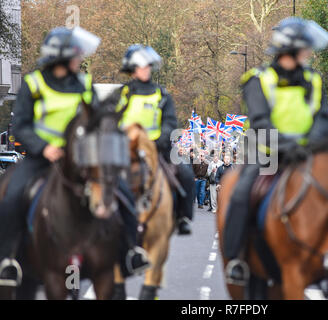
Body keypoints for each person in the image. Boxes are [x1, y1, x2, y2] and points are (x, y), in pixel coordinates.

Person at [0, 27, 149, 286]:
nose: (80, 59)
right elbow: (22, 125)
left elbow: (95, 119)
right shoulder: (32, 83)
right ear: (62, 57)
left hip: (81, 159)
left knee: (122, 192)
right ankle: (8, 260)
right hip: (42, 158)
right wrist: (44, 147)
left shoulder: (83, 84)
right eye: (76, 55)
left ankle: (130, 251)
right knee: (12, 196)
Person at [223, 17, 328, 285]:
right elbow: (260, 122)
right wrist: (286, 147)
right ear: (292, 50)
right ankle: (236, 257)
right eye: (306, 48)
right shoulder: (259, 80)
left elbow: (322, 117)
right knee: (240, 194)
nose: (309, 54)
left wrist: (308, 144)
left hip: (307, 154)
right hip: (268, 155)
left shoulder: (313, 79)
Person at [118, 44, 195, 235]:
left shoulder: (162, 94)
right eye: (141, 66)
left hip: (157, 147)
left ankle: (183, 217)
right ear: (132, 69)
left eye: (148, 66)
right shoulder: (122, 94)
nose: (145, 70)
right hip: (126, 149)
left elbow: (170, 122)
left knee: (185, 173)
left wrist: (159, 140)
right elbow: (112, 122)